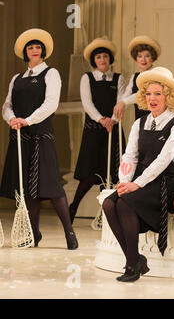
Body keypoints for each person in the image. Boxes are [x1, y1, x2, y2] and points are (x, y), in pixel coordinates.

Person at [102, 67, 174, 282]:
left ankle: (132, 265)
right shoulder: (140, 123)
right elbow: (129, 156)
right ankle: (135, 258)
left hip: (166, 181)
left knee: (123, 203)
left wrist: (136, 185)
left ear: (168, 96)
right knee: (109, 204)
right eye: (148, 94)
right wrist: (124, 181)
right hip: (140, 180)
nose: (152, 98)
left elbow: (163, 161)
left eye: (158, 93)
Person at [0, 28, 78, 249]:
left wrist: (27, 120)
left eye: (38, 47)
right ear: (25, 52)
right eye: (30, 47)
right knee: (26, 190)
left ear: (43, 51)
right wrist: (13, 119)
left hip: (40, 136)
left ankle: (69, 232)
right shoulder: (17, 78)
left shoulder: (51, 74)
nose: (34, 50)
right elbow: (7, 106)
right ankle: (34, 233)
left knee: (52, 186)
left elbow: (50, 104)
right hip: (19, 137)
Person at [69, 37, 126, 222]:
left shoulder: (118, 78)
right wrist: (102, 120)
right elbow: (87, 103)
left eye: (105, 57)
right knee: (89, 172)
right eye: (99, 57)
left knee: (110, 172)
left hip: (113, 130)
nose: (102, 60)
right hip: (94, 130)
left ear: (110, 59)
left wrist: (113, 120)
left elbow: (121, 102)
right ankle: (73, 207)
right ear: (94, 60)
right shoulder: (87, 78)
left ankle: (105, 214)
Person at [113, 35, 161, 121]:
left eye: (147, 56)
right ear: (136, 58)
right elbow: (126, 95)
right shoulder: (134, 77)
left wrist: (124, 102)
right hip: (140, 119)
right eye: (140, 56)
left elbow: (142, 94)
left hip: (156, 119)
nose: (143, 60)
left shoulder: (156, 74)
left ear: (152, 57)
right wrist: (114, 118)